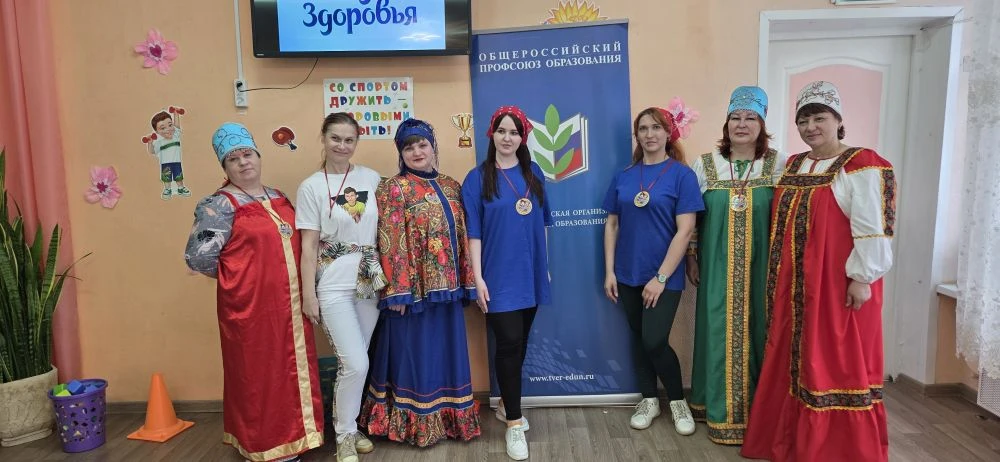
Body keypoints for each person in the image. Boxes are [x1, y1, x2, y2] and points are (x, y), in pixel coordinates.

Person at [741, 81, 896, 462]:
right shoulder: (794, 164)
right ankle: (789, 441)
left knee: (832, 359)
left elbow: (872, 227)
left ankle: (835, 449)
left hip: (835, 284)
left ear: (838, 120)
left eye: (819, 119)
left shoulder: (861, 164)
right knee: (793, 356)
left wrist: (862, 278)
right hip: (792, 287)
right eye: (803, 121)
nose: (810, 127)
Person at [184, 122, 324, 462]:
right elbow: (198, 257)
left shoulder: (278, 196)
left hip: (291, 304)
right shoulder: (217, 205)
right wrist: (242, 281)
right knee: (259, 374)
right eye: (234, 159)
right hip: (250, 308)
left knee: (292, 369)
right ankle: (266, 443)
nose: (243, 162)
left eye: (247, 155)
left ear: (258, 157)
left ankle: (298, 436)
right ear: (225, 167)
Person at [359, 118, 481, 447]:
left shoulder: (452, 186)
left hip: (448, 293)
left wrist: (468, 281)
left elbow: (464, 236)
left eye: (422, 144)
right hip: (412, 296)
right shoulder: (394, 188)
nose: (417, 152)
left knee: (446, 355)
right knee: (415, 358)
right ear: (401, 153)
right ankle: (412, 425)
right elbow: (389, 239)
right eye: (408, 147)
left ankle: (450, 420)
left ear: (433, 147)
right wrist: (397, 291)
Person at [686, 86, 784, 445]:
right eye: (735, 117)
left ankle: (759, 415)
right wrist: (692, 256)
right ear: (726, 124)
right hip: (716, 267)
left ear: (762, 125)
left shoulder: (779, 164)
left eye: (750, 118)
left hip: (763, 269)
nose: (742, 124)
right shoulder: (706, 163)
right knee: (716, 331)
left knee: (761, 330)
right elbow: (692, 217)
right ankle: (718, 410)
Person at [602, 107, 704, 435]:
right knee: (638, 338)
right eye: (643, 128)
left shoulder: (682, 176)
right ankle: (649, 399)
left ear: (668, 133)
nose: (649, 134)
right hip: (627, 272)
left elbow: (685, 231)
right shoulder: (624, 176)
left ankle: (677, 401)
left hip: (665, 276)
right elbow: (612, 224)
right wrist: (609, 271)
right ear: (637, 135)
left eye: (656, 128)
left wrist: (660, 277)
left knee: (654, 339)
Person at [461, 106, 551, 461]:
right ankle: (514, 422)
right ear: (492, 134)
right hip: (497, 277)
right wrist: (478, 278)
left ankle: (503, 406)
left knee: (520, 343)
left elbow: (543, 224)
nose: (507, 138)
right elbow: (473, 234)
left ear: (522, 137)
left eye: (514, 132)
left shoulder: (534, 172)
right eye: (502, 131)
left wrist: (545, 267)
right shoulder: (477, 178)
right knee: (510, 343)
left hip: (531, 273)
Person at [295, 112, 384, 462]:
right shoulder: (311, 187)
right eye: (335, 138)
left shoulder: (371, 178)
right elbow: (307, 247)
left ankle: (349, 426)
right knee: (355, 364)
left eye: (349, 140)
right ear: (323, 138)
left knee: (359, 360)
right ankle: (344, 435)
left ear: (356, 142)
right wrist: (308, 294)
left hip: (369, 279)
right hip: (332, 283)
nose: (342, 146)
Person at [146, 108, 191, 200]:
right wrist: (150, 143)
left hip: (176, 161)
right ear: (156, 131)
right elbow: (152, 152)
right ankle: (167, 189)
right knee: (166, 178)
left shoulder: (176, 136)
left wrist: (176, 114)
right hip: (165, 163)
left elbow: (177, 126)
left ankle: (181, 188)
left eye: (170, 125)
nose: (168, 129)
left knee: (179, 176)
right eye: (162, 128)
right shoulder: (159, 142)